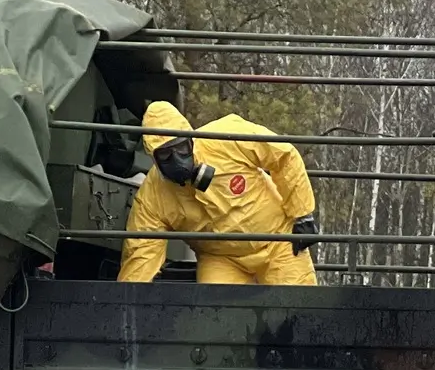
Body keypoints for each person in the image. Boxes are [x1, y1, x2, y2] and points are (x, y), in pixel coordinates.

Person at [118, 101, 321, 286]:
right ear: (154, 159)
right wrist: (128, 305)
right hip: (221, 259)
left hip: (278, 241)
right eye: (166, 155)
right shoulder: (153, 196)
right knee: (219, 316)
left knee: (298, 308)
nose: (177, 159)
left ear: (191, 139)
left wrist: (302, 214)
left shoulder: (226, 135)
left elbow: (283, 156)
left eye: (181, 148)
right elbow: (140, 254)